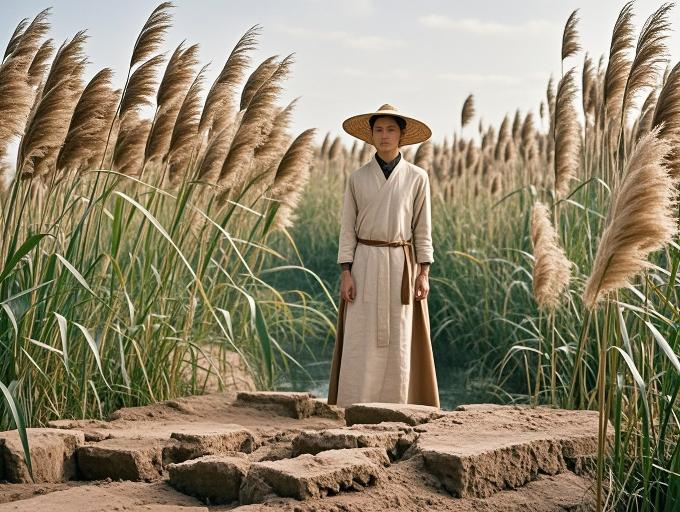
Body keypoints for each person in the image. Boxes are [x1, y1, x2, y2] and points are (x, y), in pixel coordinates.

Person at [327, 103, 439, 409]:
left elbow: (422, 228)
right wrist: (346, 271)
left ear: (402, 135)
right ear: (371, 136)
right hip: (364, 263)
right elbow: (347, 229)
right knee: (360, 335)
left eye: (391, 129)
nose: (385, 135)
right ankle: (354, 403)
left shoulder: (418, 178)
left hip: (402, 263)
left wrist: (423, 273)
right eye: (379, 130)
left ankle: (398, 404)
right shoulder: (357, 179)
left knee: (400, 336)